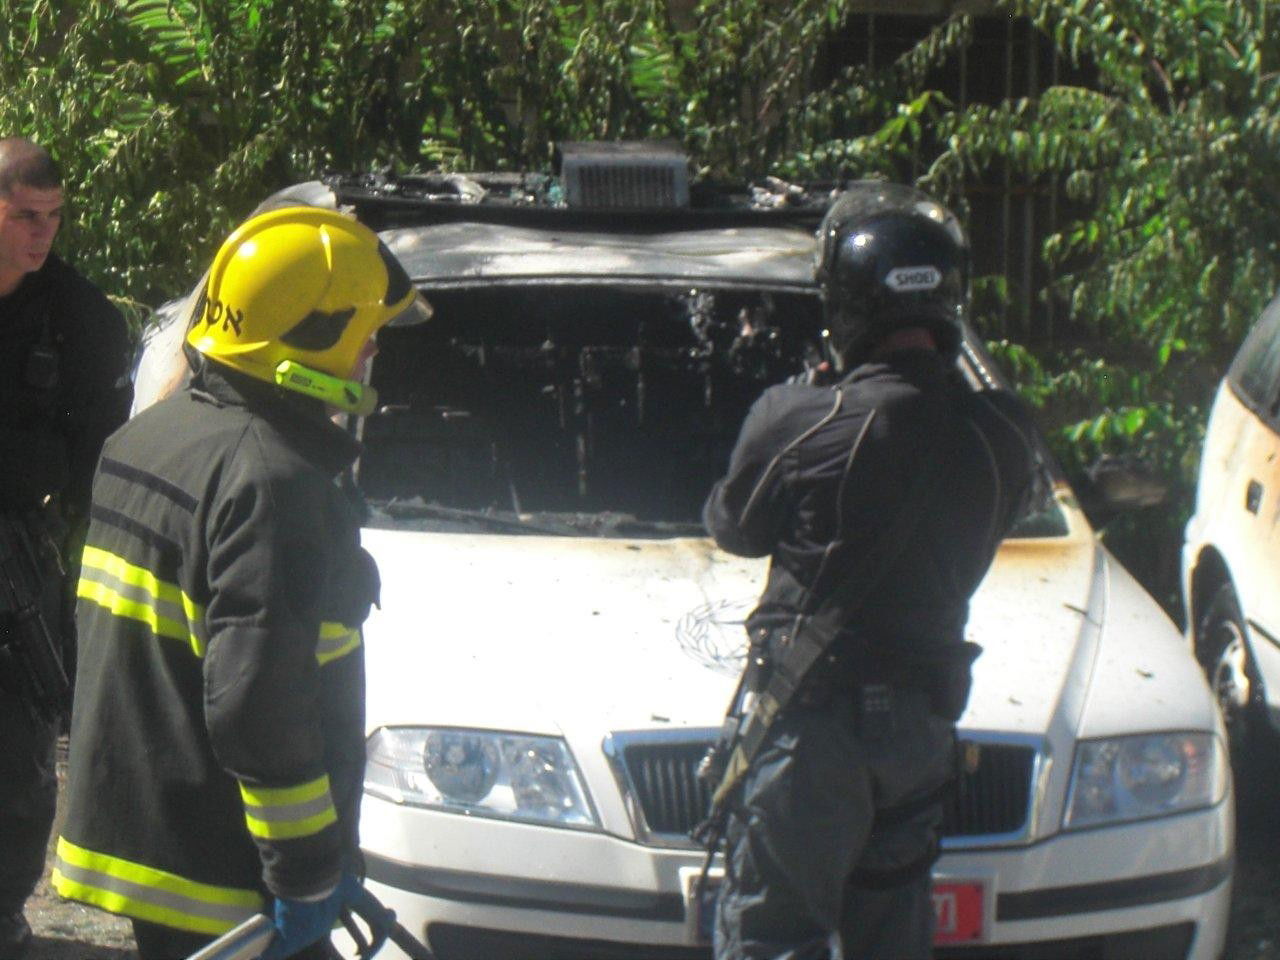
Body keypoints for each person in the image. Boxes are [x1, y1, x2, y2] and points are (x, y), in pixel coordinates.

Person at [52, 206, 429, 960]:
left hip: (147, 845)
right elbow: (259, 705)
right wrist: (308, 871)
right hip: (226, 877)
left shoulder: (148, 435)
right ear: (305, 337)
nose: (374, 348)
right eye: (364, 329)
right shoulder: (273, 483)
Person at [703, 182, 1038, 960]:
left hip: (812, 732)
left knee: (774, 937)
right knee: (893, 933)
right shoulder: (1003, 433)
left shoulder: (798, 417)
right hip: (920, 735)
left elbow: (734, 527)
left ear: (845, 304)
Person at [0, 137, 132, 958]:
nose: (40, 234)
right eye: (22, 217)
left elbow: (103, 468)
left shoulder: (78, 320)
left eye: (52, 217)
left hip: (18, 570)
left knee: (18, 761)